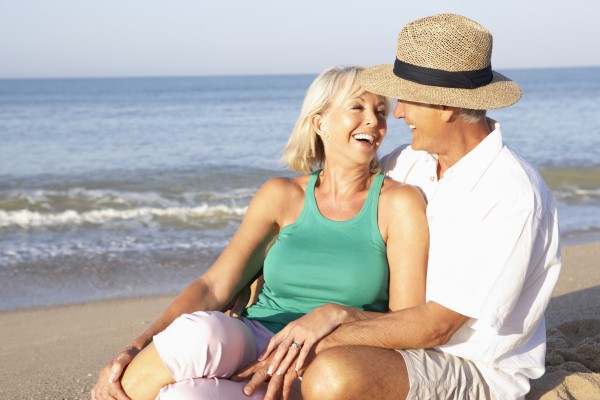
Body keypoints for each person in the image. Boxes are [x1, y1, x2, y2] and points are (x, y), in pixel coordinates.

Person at [240, 14, 562, 400]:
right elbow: (329, 207)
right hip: (402, 346)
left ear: (444, 104)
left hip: (469, 365)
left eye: (406, 98)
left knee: (329, 373)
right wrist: (248, 282)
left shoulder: (511, 196)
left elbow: (438, 328)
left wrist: (328, 325)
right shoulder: (410, 163)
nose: (397, 113)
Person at [90, 65, 430, 400]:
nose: (375, 121)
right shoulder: (282, 195)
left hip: (321, 362)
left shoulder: (398, 203)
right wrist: (138, 346)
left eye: (381, 110)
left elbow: (405, 322)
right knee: (201, 332)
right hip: (253, 337)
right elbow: (213, 286)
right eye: (357, 107)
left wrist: (337, 315)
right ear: (319, 122)